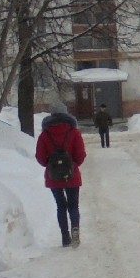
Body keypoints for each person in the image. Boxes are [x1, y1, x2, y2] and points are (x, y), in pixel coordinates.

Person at [36, 101, 87, 247]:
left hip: (53, 177)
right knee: (73, 205)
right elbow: (81, 155)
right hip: (72, 175)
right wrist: (72, 165)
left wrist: (51, 165)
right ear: (66, 114)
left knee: (61, 206)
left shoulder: (45, 135)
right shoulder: (74, 132)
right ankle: (75, 228)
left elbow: (40, 157)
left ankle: (65, 237)